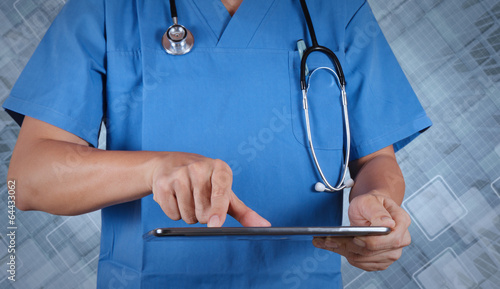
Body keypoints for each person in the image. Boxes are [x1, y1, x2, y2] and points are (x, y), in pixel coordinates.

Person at [3, 0, 432, 288]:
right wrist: (154, 170)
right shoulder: (107, 7)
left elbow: (376, 158)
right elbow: (27, 180)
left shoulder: (338, 9)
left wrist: (376, 204)